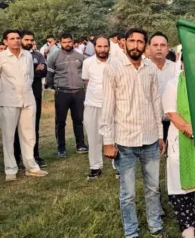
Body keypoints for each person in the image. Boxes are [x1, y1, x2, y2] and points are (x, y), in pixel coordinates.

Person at [101, 28, 165, 238]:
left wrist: (159, 134)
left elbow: (156, 103)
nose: (136, 45)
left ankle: (155, 227)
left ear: (145, 45)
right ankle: (131, 232)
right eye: (132, 41)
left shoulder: (150, 69)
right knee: (127, 193)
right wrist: (108, 142)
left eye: (140, 42)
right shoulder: (113, 69)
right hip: (125, 141)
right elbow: (108, 107)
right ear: (124, 43)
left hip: (149, 140)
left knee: (153, 188)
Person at [162, 57, 195, 238]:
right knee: (181, 183)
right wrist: (191, 130)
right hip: (181, 140)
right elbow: (171, 112)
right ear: (183, 62)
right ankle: (187, 225)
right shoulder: (173, 84)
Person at [0, 29, 49, 181]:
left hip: (28, 99)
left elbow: (31, 76)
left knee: (29, 135)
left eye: (17, 38)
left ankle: (31, 166)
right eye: (12, 38)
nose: (16, 40)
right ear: (5, 42)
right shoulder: (2, 57)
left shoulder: (27, 55)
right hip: (8, 100)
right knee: (8, 136)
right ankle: (10, 169)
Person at [46, 33, 87, 158]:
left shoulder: (80, 56)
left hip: (78, 92)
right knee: (60, 122)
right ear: (60, 42)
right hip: (62, 92)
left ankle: (80, 145)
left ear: (72, 42)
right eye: (64, 42)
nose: (67, 44)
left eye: (69, 42)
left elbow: (86, 74)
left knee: (79, 120)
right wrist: (52, 87)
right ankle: (61, 149)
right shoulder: (54, 56)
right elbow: (49, 75)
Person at [13, 30, 48, 169]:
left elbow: (43, 71)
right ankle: (16, 158)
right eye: (26, 39)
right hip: (16, 97)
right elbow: (18, 74)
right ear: (20, 40)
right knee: (16, 129)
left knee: (34, 127)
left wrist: (33, 70)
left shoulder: (38, 55)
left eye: (31, 40)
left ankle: (34, 155)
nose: (29, 42)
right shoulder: (15, 56)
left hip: (35, 95)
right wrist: (35, 69)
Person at [82, 36, 111, 180]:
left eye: (105, 46)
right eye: (99, 46)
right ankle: (95, 167)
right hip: (92, 105)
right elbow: (87, 82)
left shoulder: (116, 62)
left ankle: (118, 167)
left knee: (114, 137)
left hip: (112, 105)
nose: (102, 49)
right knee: (93, 137)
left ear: (109, 47)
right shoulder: (87, 63)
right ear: (94, 47)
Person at [148, 32, 177, 143]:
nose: (159, 48)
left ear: (168, 48)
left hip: (173, 121)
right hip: (151, 121)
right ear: (149, 47)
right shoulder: (143, 68)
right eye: (155, 45)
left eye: (162, 45)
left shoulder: (176, 68)